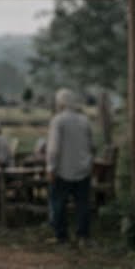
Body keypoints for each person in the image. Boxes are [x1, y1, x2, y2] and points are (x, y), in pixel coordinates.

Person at [46, 88, 94, 245]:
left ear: (60, 103)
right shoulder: (84, 120)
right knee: (82, 205)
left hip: (63, 170)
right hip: (83, 169)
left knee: (59, 203)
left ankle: (61, 236)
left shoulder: (58, 120)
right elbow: (90, 144)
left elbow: (54, 148)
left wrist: (51, 168)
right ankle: (83, 236)